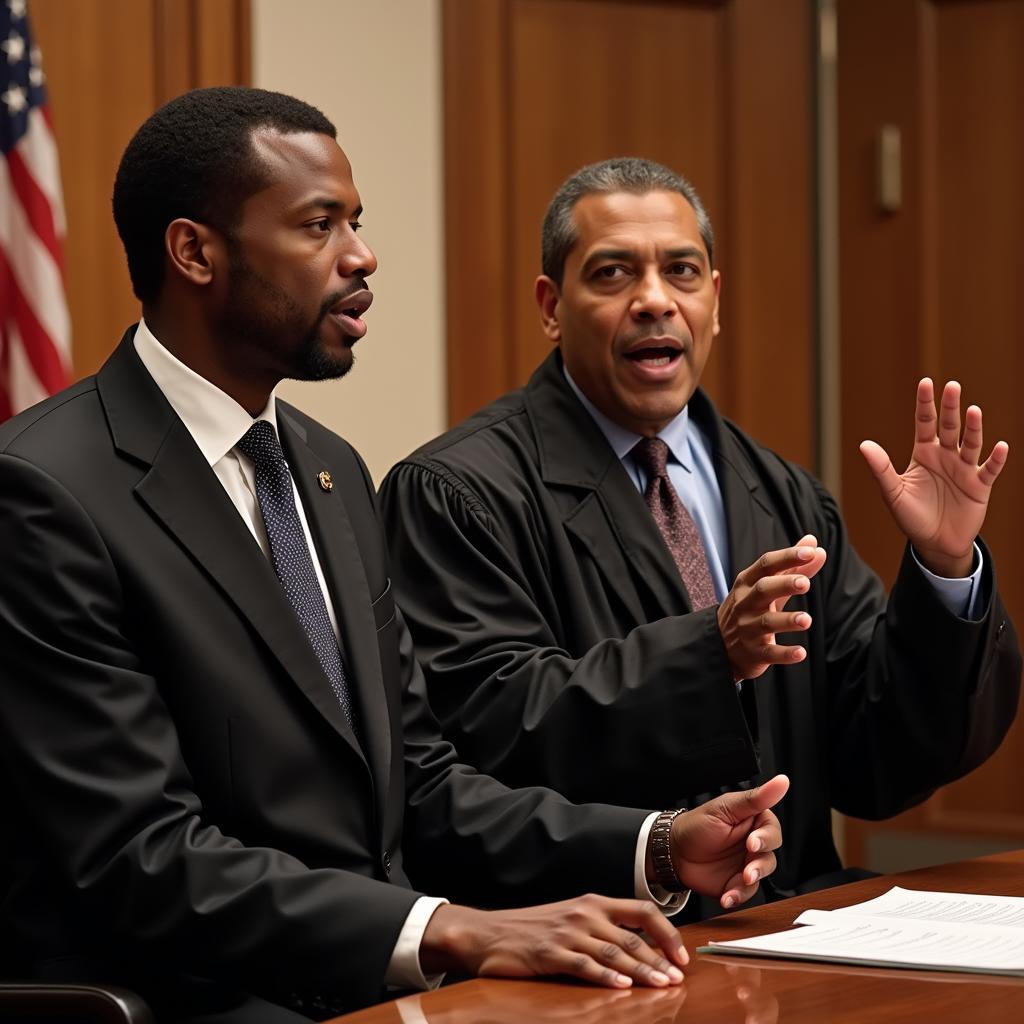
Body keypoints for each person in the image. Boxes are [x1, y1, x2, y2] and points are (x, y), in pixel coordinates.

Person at [0, 97, 789, 1023]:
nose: (361, 256)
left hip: (372, 990)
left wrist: (657, 846)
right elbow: (141, 854)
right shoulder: (45, 491)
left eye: (357, 223)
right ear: (195, 253)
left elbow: (415, 783)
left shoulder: (327, 469)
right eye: (318, 224)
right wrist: (451, 928)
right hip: (192, 999)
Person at [379, 157, 1022, 918]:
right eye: (614, 273)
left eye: (681, 271)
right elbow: (489, 739)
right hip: (596, 931)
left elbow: (874, 760)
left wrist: (944, 572)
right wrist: (710, 653)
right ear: (552, 306)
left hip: (792, 922)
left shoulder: (785, 494)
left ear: (714, 301)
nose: (655, 301)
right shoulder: (456, 494)